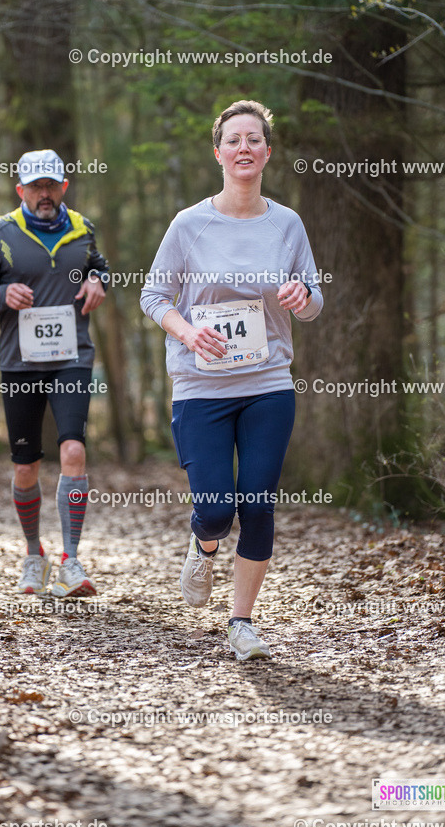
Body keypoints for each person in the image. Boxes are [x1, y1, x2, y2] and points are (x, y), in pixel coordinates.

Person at [140, 100, 323, 660]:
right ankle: (203, 543)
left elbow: (313, 301)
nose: (244, 148)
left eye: (254, 139)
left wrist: (302, 297)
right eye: (233, 140)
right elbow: (154, 295)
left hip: (268, 383)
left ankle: (241, 622)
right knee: (218, 506)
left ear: (267, 153)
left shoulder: (286, 224)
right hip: (202, 388)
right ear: (218, 152)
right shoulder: (190, 224)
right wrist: (189, 332)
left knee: (258, 502)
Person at [0, 149, 109, 598]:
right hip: (20, 363)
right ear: (20, 190)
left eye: (51, 185)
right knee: (26, 465)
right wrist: (3, 294)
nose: (43, 194)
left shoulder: (83, 229)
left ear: (64, 187)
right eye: (35, 186)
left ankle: (71, 559)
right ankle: (33, 554)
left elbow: (99, 268)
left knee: (73, 452)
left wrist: (99, 281)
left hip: (72, 359)